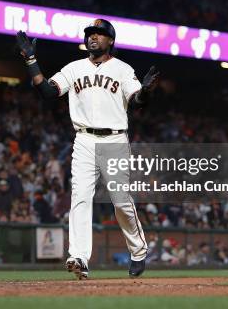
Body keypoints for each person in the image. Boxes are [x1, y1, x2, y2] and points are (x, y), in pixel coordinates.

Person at [15, 19, 159, 279]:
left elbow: (137, 101)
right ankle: (79, 257)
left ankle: (138, 251)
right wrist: (31, 61)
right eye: (90, 34)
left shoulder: (123, 69)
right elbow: (48, 91)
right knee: (80, 197)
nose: (93, 37)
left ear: (111, 41)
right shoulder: (73, 68)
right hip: (84, 140)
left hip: (115, 140)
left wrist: (146, 92)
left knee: (121, 202)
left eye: (100, 34)